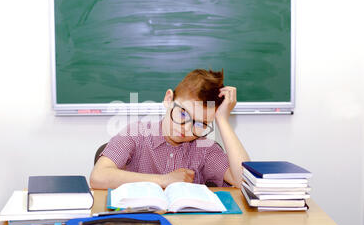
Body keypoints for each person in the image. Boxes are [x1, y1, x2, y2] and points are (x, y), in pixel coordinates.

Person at [90, 69, 250, 189]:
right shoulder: (136, 133)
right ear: (169, 99)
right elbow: (98, 177)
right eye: (182, 113)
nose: (187, 129)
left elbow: (244, 181)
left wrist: (222, 119)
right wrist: (164, 180)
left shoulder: (205, 148)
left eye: (200, 124)